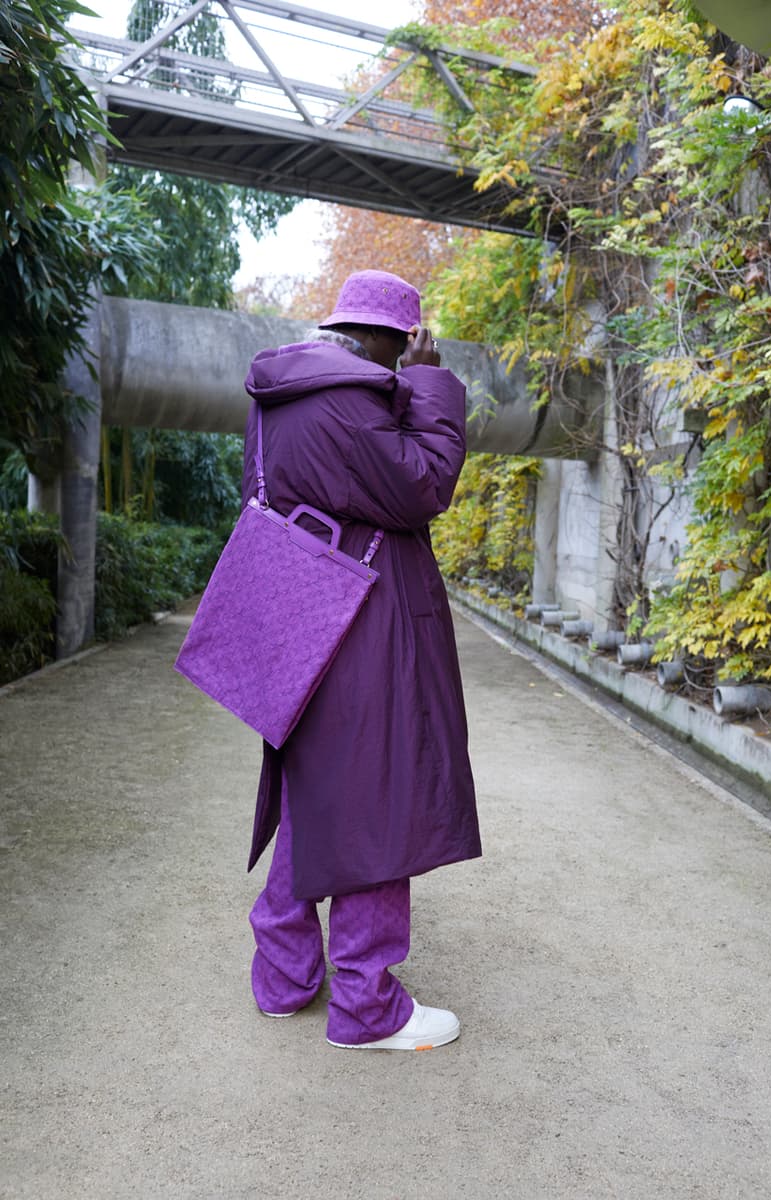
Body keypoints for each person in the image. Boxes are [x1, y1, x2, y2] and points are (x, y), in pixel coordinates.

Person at [241, 269, 481, 1050]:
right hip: (362, 624)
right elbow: (424, 484)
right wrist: (430, 379)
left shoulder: (280, 399)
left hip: (301, 614)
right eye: (409, 341)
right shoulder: (351, 401)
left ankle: (283, 979)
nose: (410, 355)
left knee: (317, 794)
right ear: (387, 338)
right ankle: (366, 1008)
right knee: (382, 800)